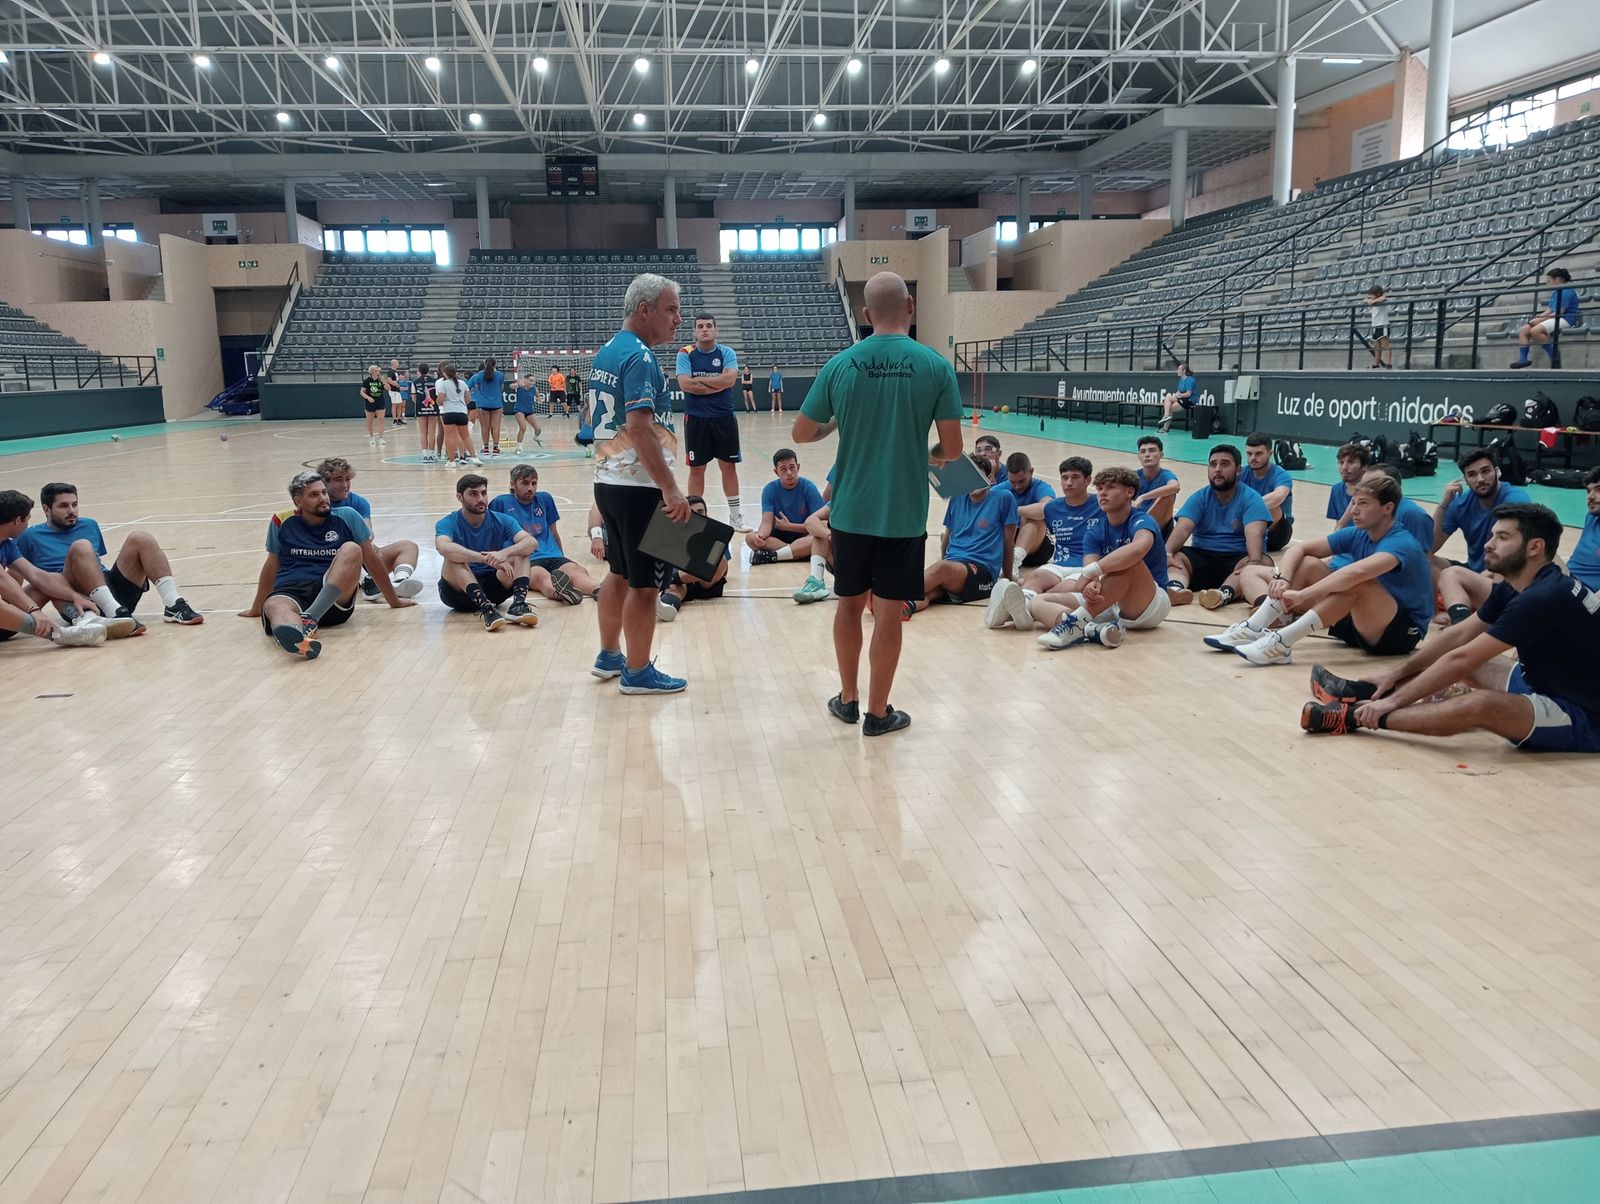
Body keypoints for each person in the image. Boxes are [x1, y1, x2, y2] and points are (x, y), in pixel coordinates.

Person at [792, 270, 962, 735]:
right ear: (910, 306)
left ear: (866, 316)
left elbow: (801, 433)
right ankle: (878, 713)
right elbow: (950, 450)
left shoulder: (841, 364)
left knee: (848, 606)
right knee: (888, 612)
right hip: (903, 515)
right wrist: (919, 455)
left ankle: (847, 700)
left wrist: (835, 424)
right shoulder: (935, 366)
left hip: (849, 512)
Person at [1302, 503, 1600, 753]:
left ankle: (1355, 716)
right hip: (1547, 684)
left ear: (1535, 547)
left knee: (1481, 705)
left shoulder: (1542, 597)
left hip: (1584, 715)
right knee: (1466, 659)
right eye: (1493, 535)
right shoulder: (1521, 584)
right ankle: (1366, 690)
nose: (1489, 543)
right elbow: (1459, 635)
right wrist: (1396, 674)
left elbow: (1462, 660)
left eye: (1502, 537)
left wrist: (1393, 703)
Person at [589, 272, 692, 694]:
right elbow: (639, 427)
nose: (678, 320)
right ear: (645, 309)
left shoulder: (608, 350)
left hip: (608, 483)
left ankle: (610, 654)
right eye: (671, 310)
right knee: (645, 585)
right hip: (638, 489)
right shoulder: (641, 358)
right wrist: (670, 487)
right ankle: (637, 671)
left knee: (617, 573)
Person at [1205, 474, 1431, 666]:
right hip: (1358, 621)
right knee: (1308, 563)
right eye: (1353, 503)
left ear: (1387, 508)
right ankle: (1254, 627)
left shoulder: (1401, 542)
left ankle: (1282, 642)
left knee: (1358, 583)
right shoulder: (1359, 533)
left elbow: (1356, 574)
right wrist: (1283, 579)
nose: (1354, 510)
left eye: (1363, 503)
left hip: (1399, 634)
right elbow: (1300, 548)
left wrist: (1303, 595)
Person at [239, 470, 416, 659]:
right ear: (298, 501)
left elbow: (372, 560)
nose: (323, 498)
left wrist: (393, 600)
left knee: (351, 548)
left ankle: (310, 618)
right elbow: (271, 566)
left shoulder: (347, 516)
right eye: (314, 495)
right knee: (276, 606)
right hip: (291, 590)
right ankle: (298, 638)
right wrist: (257, 607)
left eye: (323, 492)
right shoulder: (281, 521)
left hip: (333, 598)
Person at [993, 466, 1171, 649]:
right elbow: (1087, 575)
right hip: (1112, 603)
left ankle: (1075, 624)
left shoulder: (1141, 520)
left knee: (1129, 564)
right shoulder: (1095, 531)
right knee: (1040, 601)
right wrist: (1090, 587)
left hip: (1150, 603)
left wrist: (1092, 572)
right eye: (1100, 488)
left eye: (1110, 488)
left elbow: (1137, 550)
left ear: (1129, 492)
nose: (1102, 493)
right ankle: (1092, 630)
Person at [18, 481, 201, 629]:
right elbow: (15, 572)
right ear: (47, 509)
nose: (72, 511)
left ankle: (173, 604)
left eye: (75, 504)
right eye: (64, 506)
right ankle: (114, 613)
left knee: (140, 537)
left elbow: (95, 563)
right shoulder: (29, 536)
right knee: (81, 546)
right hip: (75, 600)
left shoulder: (89, 525)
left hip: (111, 592)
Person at [905, 454, 1017, 617]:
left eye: (978, 476)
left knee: (940, 569)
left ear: (990, 478)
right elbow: (947, 539)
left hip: (982, 572)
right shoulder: (957, 498)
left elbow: (1008, 542)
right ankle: (906, 607)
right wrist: (946, 566)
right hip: (955, 567)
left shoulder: (1003, 498)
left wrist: (1007, 579)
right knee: (932, 590)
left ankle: (892, 598)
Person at [1164, 444, 1272, 609]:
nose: (1217, 469)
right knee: (1177, 556)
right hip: (1203, 559)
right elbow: (1183, 528)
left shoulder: (1251, 498)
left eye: (1224, 464)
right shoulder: (1200, 497)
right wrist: (1168, 552)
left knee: (1261, 562)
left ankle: (1222, 594)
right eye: (1213, 464)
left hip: (1236, 560)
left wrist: (1254, 562)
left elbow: (1254, 533)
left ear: (1238, 470)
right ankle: (1175, 589)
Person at [1434, 446, 1531, 622]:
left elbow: (1514, 557)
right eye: (1472, 475)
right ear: (1465, 480)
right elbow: (1431, 546)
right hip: (1476, 571)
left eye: (1485, 471)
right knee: (1422, 557)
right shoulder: (1461, 503)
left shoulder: (1516, 500)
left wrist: (1471, 583)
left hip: (1506, 575)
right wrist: (1443, 505)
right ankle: (1457, 605)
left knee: (1452, 576)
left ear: (1497, 471)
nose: (1480, 479)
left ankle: (1461, 620)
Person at [0, 490, 107, 648]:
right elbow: (2, 579)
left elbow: (35, 574)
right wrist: (34, 610)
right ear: (17, 520)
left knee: (52, 579)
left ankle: (86, 619)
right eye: (27, 521)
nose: (27, 525)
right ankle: (59, 634)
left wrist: (74, 596)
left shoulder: (6, 545)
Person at [435, 473, 541, 631]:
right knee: (452, 557)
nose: (481, 498)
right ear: (459, 497)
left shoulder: (502, 520)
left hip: (494, 588)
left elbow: (531, 542)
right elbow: (443, 547)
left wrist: (505, 553)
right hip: (458, 593)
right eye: (473, 494)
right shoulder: (448, 522)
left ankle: (518, 605)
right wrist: (482, 558)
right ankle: (486, 610)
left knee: (521, 551)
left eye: (483, 493)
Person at [314, 458, 425, 604]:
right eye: (338, 480)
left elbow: (368, 533)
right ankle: (370, 582)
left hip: (363, 560)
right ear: (324, 482)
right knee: (353, 550)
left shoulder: (359, 502)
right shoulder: (317, 505)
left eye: (347, 479)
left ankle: (398, 582)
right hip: (330, 562)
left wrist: (366, 543)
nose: (345, 485)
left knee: (408, 546)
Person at [489, 464, 601, 605]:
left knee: (576, 571)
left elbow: (554, 532)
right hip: (526, 559)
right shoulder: (501, 503)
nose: (531, 488)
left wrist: (561, 556)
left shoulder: (545, 499)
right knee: (541, 577)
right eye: (525, 483)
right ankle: (561, 593)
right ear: (512, 484)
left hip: (552, 554)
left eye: (534, 483)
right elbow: (492, 536)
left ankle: (600, 590)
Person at [676, 314, 747, 530]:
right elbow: (685, 385)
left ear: (716, 330)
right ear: (694, 332)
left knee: (729, 467)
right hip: (696, 419)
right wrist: (717, 382)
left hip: (723, 418)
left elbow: (730, 380)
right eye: (700, 326)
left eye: (709, 326)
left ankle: (735, 518)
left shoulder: (726, 352)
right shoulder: (685, 353)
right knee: (697, 470)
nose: (704, 329)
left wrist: (701, 382)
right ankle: (694, 518)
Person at [1015, 456, 1099, 595]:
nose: (1068, 483)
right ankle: (1024, 604)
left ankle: (1030, 602)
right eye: (1064, 478)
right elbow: (1034, 512)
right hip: (1058, 565)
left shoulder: (1101, 504)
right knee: (1034, 577)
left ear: (1088, 480)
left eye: (1075, 477)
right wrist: (1007, 508)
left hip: (1086, 567)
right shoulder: (1053, 507)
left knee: (1060, 590)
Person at [748, 448, 826, 570]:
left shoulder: (808, 487)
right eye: (783, 469)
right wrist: (760, 536)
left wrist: (789, 526)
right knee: (750, 538)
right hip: (778, 539)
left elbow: (821, 524)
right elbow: (766, 522)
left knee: (820, 538)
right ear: (776, 472)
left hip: (803, 536)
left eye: (792, 467)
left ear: (798, 467)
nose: (789, 472)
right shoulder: (770, 489)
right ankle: (798, 553)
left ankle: (781, 555)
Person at [658, 495, 731, 622]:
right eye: (693, 513)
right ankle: (667, 608)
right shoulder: (674, 535)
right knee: (677, 588)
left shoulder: (715, 534)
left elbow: (723, 569)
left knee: (720, 560)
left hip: (706, 582)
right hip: (682, 580)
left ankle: (669, 580)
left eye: (701, 512)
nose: (698, 516)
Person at [990, 452, 1058, 577]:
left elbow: (1047, 509)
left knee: (1031, 516)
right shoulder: (1001, 489)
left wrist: (1013, 510)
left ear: (1031, 472)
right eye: (1013, 482)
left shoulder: (1041, 487)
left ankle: (1014, 560)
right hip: (1008, 544)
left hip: (1038, 550)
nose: (1017, 486)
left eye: (1021, 481)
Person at [1510, 266, 1580, 370]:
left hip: (1565, 319)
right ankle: (1523, 359)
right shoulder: (1556, 292)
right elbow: (1549, 310)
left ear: (1558, 279)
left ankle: (1554, 355)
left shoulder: (1567, 292)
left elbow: (1559, 312)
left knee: (1535, 331)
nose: (1548, 283)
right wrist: (1538, 318)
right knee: (1523, 330)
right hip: (1555, 317)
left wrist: (1540, 320)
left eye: (1549, 281)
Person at [1241, 431, 1295, 552]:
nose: (1252, 458)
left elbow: (1278, 496)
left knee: (1272, 506)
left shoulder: (1281, 475)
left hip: (1277, 532)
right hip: (1249, 525)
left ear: (1270, 453)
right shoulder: (1242, 473)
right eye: (1249, 454)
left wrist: (1244, 508)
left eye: (1258, 454)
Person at [433, 361, 480, 467]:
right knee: (466, 436)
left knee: (449, 437)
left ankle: (451, 461)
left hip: (448, 412)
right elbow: (468, 399)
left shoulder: (443, 384)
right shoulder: (463, 383)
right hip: (462, 412)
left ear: (445, 373)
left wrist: (439, 401)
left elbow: (440, 401)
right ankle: (474, 458)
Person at [1134, 435, 1180, 533]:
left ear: (1161, 455)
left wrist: (1143, 497)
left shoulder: (1165, 475)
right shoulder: (1134, 475)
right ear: (1139, 456)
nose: (1147, 454)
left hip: (1159, 526)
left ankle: (1147, 530)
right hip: (1134, 522)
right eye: (1143, 451)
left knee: (1168, 494)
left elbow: (1175, 486)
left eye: (1152, 450)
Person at [793, 502, 835, 604]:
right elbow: (810, 521)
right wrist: (830, 536)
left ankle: (774, 555)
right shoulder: (839, 500)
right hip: (843, 558)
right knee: (820, 528)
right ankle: (816, 581)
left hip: (865, 561)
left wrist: (788, 526)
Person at [466, 357, 508, 457]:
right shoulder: (500, 375)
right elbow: (501, 388)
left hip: (483, 404)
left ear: (484, 364)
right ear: (495, 364)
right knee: (496, 426)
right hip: (497, 403)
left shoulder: (478, 376)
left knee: (485, 427)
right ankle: (496, 448)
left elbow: (470, 387)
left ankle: (485, 448)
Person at [1567, 466, 1600, 589]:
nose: (1590, 496)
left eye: (1599, 490)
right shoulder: (1592, 517)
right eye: (1588, 491)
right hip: (1566, 583)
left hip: (1587, 598)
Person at [1326, 441, 1371, 526]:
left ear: (1364, 466)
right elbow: (1339, 524)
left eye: (1351, 462)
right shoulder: (1336, 490)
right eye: (1341, 462)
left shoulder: (1373, 492)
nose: (1344, 467)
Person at [1156, 362, 1197, 432]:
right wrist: (1177, 394)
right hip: (1182, 398)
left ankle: (1165, 427)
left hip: (1189, 400)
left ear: (1184, 371)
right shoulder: (1181, 380)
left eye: (1179, 369)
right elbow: (1179, 391)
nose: (1177, 371)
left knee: (1170, 408)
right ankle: (1166, 416)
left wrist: (1180, 395)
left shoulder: (1190, 380)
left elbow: (1188, 394)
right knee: (1168, 396)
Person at [412, 363, 439, 462]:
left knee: (423, 433)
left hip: (420, 408)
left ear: (419, 371)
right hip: (433, 408)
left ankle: (425, 455)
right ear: (428, 370)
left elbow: (414, 398)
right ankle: (432, 455)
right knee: (432, 432)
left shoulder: (415, 382)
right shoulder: (435, 381)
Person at [1363, 285, 1393, 369]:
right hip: (1375, 325)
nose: (1370, 296)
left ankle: (1388, 363)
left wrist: (1373, 301)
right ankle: (1376, 364)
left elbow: (1384, 298)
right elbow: (1364, 300)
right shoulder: (1372, 300)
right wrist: (1370, 300)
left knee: (1385, 345)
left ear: (1378, 293)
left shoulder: (1382, 300)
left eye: (1372, 294)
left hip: (1382, 324)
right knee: (1376, 346)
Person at [512, 373, 543, 453]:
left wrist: (539, 399)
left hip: (529, 411)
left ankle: (535, 437)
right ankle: (519, 448)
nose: (532, 382)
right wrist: (519, 384)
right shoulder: (520, 387)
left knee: (538, 428)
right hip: (519, 410)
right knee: (523, 428)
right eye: (530, 381)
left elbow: (537, 396)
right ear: (525, 380)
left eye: (533, 381)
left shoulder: (534, 389)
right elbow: (511, 386)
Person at [359, 364, 387, 447]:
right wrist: (368, 398)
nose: (377, 372)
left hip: (380, 402)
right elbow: (361, 392)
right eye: (375, 371)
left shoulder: (380, 381)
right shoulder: (367, 381)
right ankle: (371, 437)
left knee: (381, 420)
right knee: (370, 421)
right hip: (370, 403)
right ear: (371, 372)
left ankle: (381, 438)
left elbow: (388, 389)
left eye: (378, 371)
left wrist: (384, 382)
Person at [386, 358, 409, 426]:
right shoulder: (391, 371)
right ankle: (394, 420)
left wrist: (403, 377)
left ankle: (399, 419)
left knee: (400, 404)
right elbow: (389, 380)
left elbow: (397, 379)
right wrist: (395, 383)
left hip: (397, 390)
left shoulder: (395, 372)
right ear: (394, 364)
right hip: (393, 391)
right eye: (397, 363)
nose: (398, 364)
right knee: (395, 404)